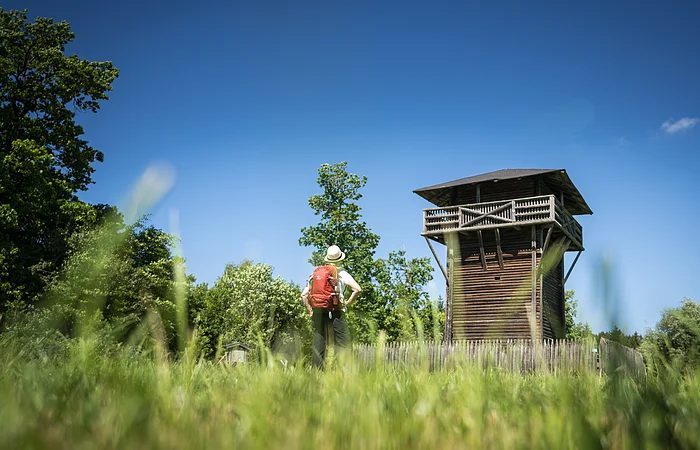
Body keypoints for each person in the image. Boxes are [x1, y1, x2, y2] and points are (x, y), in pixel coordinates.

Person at [301, 245, 361, 368]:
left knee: (319, 344)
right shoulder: (342, 273)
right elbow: (357, 289)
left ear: (327, 258)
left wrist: (310, 311)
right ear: (340, 259)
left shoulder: (316, 274)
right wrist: (346, 303)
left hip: (318, 312)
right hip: (336, 311)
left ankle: (316, 376)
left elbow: (303, 295)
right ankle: (343, 374)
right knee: (342, 344)